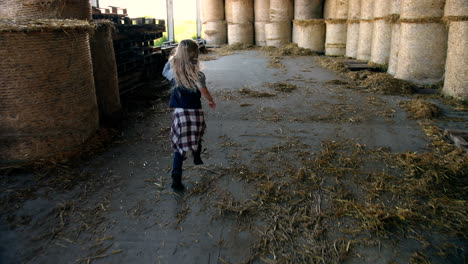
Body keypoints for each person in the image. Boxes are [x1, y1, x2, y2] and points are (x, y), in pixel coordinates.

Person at [162, 39, 216, 192]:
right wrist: (211, 100)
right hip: (195, 112)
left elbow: (164, 71)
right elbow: (204, 91)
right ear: (196, 55)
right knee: (197, 133)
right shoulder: (198, 75)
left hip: (180, 114)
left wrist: (171, 60)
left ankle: (176, 181)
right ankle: (196, 154)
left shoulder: (173, 73)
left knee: (180, 147)